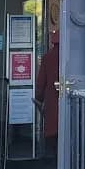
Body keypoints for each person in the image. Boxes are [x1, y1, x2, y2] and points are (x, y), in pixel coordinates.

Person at [35, 30, 60, 159]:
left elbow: (41, 81)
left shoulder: (47, 58)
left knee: (52, 128)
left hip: (51, 99)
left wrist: (38, 97)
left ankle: (51, 155)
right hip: (65, 97)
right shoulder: (70, 56)